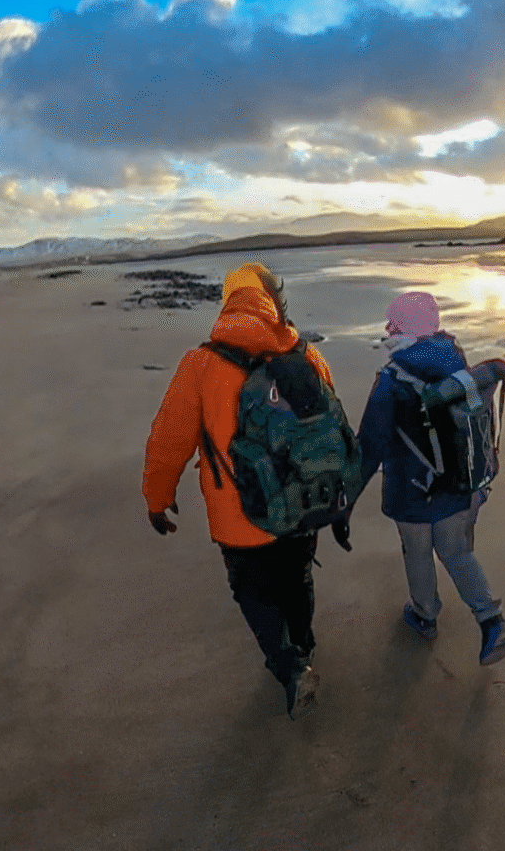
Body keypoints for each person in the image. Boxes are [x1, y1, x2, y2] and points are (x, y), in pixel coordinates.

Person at [142, 263, 352, 719]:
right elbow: (332, 431)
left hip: (240, 513)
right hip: (302, 504)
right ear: (273, 300)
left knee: (252, 590)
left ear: (229, 302)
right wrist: (339, 500)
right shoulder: (306, 354)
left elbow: (168, 439)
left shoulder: (200, 364)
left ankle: (289, 666)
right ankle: (305, 643)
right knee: (297, 575)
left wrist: (158, 499)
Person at [355, 290, 505, 665]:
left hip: (409, 490)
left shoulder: (391, 379)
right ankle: (490, 619)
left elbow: (370, 445)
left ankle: (425, 614)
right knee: (456, 551)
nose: (386, 327)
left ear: (402, 329)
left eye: (391, 322)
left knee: (417, 552)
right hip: (459, 483)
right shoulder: (456, 363)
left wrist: (344, 502)